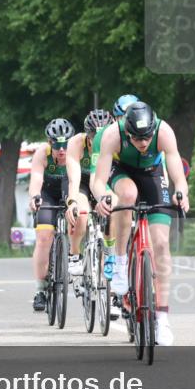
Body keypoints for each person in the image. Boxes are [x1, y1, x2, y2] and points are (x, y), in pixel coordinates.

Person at [92, 101, 189, 345]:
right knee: (127, 196)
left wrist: (181, 191)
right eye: (137, 139)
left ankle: (163, 319)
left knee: (161, 243)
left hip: (153, 175)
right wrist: (102, 196)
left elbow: (176, 167)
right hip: (121, 172)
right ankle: (122, 261)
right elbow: (98, 179)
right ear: (127, 132)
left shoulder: (163, 131)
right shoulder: (113, 135)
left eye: (146, 138)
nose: (143, 143)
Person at [28, 118, 83, 312]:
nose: (61, 150)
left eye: (65, 145)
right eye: (57, 145)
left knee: (78, 221)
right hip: (48, 195)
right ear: (50, 143)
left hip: (68, 191)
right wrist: (35, 196)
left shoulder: (75, 154)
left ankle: (75, 260)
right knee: (43, 238)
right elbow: (36, 178)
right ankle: (40, 289)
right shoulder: (42, 154)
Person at [65, 108, 115, 300]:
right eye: (95, 136)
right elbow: (73, 179)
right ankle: (75, 254)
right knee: (82, 213)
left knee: (113, 216)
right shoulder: (76, 143)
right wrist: (72, 202)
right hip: (84, 183)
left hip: (104, 182)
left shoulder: (113, 142)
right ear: (88, 134)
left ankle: (109, 279)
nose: (99, 139)